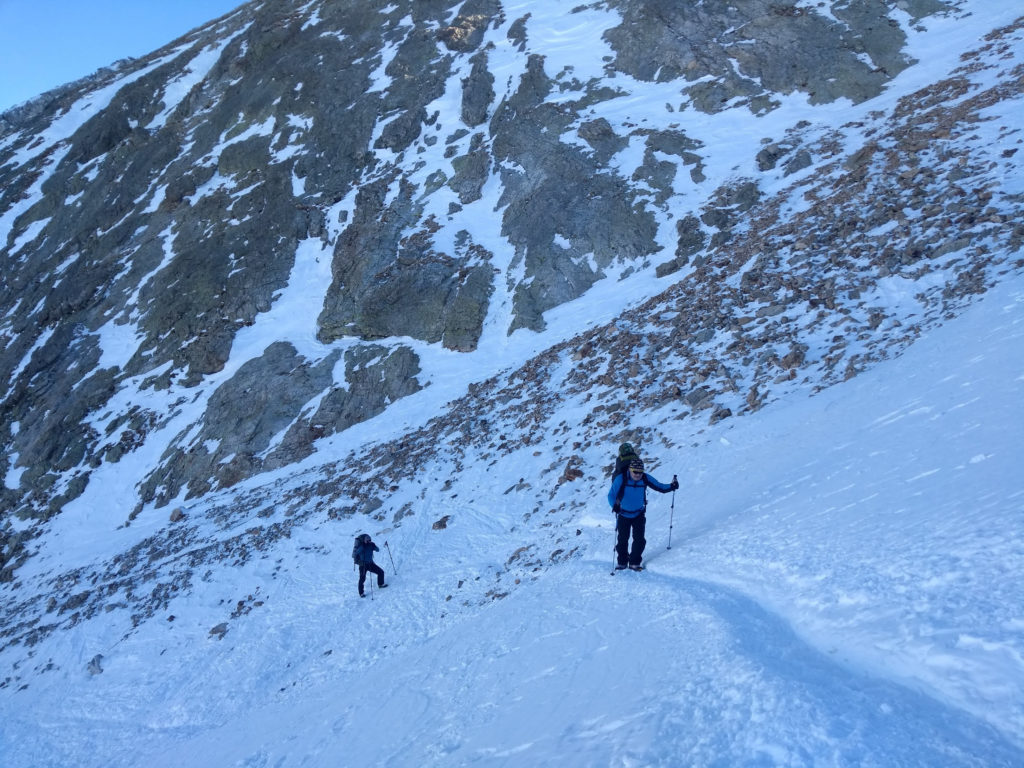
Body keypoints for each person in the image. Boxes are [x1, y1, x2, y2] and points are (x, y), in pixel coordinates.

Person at [608, 458, 678, 571]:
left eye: (640, 472)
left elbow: (659, 486)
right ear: (630, 470)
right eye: (635, 472)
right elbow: (611, 495)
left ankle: (634, 562)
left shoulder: (645, 478)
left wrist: (672, 486)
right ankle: (622, 562)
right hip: (623, 514)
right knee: (622, 539)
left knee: (639, 540)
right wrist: (614, 505)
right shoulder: (621, 479)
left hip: (639, 514)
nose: (638, 475)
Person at [352, 533, 388, 597]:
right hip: (363, 565)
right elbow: (355, 554)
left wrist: (374, 546)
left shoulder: (371, 545)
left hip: (370, 564)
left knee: (381, 572)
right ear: (364, 540)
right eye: (367, 540)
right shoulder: (361, 546)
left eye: (369, 540)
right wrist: (362, 547)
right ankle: (361, 593)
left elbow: (378, 550)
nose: (368, 541)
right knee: (362, 579)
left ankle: (380, 584)